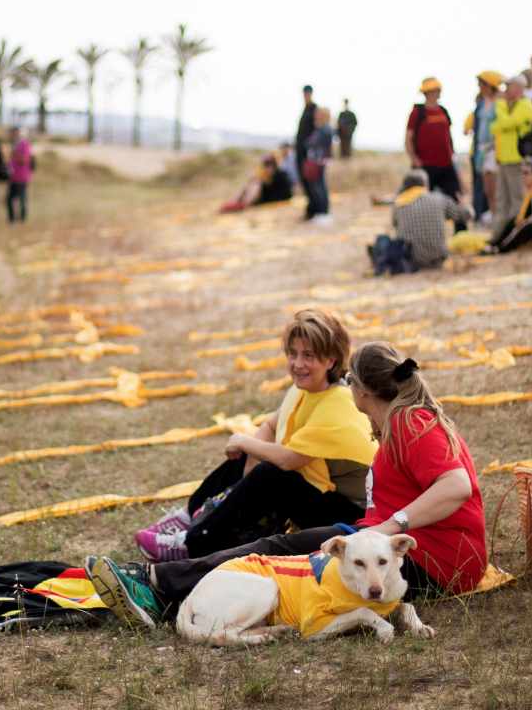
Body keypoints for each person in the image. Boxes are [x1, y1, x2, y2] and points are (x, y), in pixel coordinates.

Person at [88, 340, 488, 628]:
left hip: (433, 562)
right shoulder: (398, 419)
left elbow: (456, 485)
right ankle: (167, 585)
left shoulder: (410, 422)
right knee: (278, 549)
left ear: (363, 389)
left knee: (275, 552)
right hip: (393, 545)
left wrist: (390, 527)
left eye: (349, 378)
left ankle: (156, 583)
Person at [131, 309, 377, 563]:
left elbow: (290, 460)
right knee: (252, 456)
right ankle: (189, 516)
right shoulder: (308, 389)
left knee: (271, 474)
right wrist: (249, 456)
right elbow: (271, 425)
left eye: (308, 355)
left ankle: (193, 543)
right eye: (292, 354)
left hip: (354, 518)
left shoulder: (338, 402)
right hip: (324, 495)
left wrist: (245, 443)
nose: (297, 364)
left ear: (331, 360)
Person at [389, 170, 474, 270]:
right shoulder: (440, 199)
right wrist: (465, 205)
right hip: (438, 258)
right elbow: (466, 216)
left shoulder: (398, 204)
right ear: (425, 184)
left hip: (410, 260)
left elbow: (395, 225)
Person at [488, 75, 532, 241]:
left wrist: (500, 107)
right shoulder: (510, 106)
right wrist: (503, 122)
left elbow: (506, 123)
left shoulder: (525, 105)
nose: (505, 90)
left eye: (508, 86)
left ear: (518, 88)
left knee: (516, 202)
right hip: (502, 159)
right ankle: (498, 235)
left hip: (516, 160)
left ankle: (512, 236)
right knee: (502, 201)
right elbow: (494, 127)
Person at [405, 77, 461, 204]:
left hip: (446, 163)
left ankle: (461, 224)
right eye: (434, 90)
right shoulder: (418, 112)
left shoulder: (443, 111)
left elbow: (448, 136)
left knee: (455, 198)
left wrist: (452, 155)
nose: (437, 93)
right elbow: (408, 138)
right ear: (426, 93)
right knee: (420, 200)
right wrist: (414, 159)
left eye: (438, 90)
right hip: (424, 165)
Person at [466, 71, 502, 223]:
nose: (480, 87)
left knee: (495, 188)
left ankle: (497, 217)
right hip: (480, 149)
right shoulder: (480, 104)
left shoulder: (500, 103)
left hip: (494, 149)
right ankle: (492, 215)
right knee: (487, 189)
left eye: (482, 84)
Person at [221, 154, 294, 212]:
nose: (266, 168)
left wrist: (260, 181)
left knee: (256, 183)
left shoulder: (280, 175)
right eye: (265, 165)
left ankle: (244, 204)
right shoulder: (272, 174)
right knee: (252, 183)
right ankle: (236, 202)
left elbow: (282, 191)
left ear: (274, 165)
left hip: (279, 198)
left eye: (268, 165)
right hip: (272, 196)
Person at [302, 107, 334, 222]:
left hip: (319, 162)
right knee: (317, 187)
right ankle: (321, 213)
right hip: (315, 161)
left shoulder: (325, 129)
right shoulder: (320, 128)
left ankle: (323, 213)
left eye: (318, 114)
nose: (316, 115)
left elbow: (313, 143)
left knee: (319, 187)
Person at [6, 126, 33, 223]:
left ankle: (22, 219)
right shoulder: (14, 144)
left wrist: (14, 154)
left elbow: (25, 160)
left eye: (13, 133)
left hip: (22, 176)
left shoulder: (24, 144)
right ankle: (12, 219)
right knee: (10, 199)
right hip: (13, 176)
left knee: (21, 198)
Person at [294, 85, 317, 191]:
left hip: (308, 149)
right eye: (304, 93)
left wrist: (310, 146)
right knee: (302, 175)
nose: (305, 96)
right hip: (300, 148)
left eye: (307, 93)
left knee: (309, 176)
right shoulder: (305, 108)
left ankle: (314, 203)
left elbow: (316, 129)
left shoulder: (314, 108)